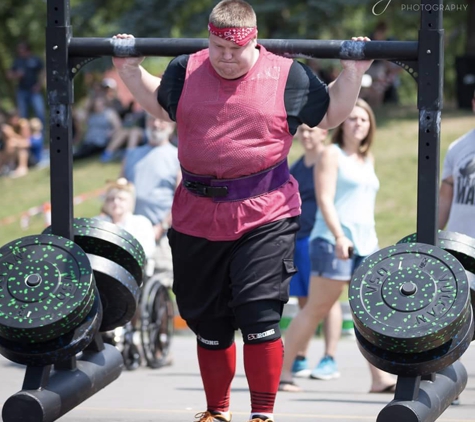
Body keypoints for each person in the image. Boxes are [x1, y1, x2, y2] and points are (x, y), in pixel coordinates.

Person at [112, 0, 373, 420]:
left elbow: (328, 115)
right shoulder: (185, 69)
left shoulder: (287, 74)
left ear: (255, 40)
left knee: (258, 314)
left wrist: (353, 73)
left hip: (264, 213)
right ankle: (217, 411)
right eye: (218, 48)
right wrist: (128, 69)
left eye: (236, 49)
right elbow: (161, 104)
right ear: (209, 39)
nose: (226, 57)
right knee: (207, 322)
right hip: (196, 214)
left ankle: (263, 414)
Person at [279, 99, 396, 394]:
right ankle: (280, 374)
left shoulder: (366, 159)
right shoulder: (331, 154)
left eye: (364, 120)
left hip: (365, 243)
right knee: (316, 308)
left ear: (371, 126)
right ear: (342, 123)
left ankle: (380, 378)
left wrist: (369, 241)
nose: (357, 124)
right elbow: (325, 199)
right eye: (352, 118)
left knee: (368, 313)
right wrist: (339, 236)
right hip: (332, 241)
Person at [287, 124, 343, 381]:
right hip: (298, 240)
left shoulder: (331, 159)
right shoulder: (295, 167)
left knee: (327, 300)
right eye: (303, 131)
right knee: (303, 300)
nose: (306, 135)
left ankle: (329, 357)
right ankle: (300, 356)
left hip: (322, 238)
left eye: (312, 131)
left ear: (324, 133)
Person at [121, 114, 180, 284]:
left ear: (171, 126)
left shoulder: (177, 156)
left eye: (161, 120)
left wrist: (161, 227)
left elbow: (180, 199)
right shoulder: (132, 154)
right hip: (132, 233)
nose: (156, 124)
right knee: (132, 288)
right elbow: (121, 188)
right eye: (151, 119)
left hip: (161, 235)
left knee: (162, 285)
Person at [438, 89, 475, 239]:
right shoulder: (457, 147)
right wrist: (425, 243)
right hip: (460, 248)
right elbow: (445, 199)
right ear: (474, 104)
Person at [95, 178, 157, 261]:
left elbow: (148, 251)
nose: (116, 202)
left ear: (130, 201)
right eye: (111, 199)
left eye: (121, 199)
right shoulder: (98, 223)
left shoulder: (141, 223)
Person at [7, 41, 46, 126]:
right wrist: (16, 74)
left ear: (27, 50)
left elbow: (44, 72)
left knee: (40, 113)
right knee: (23, 115)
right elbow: (9, 75)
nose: (20, 52)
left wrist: (39, 85)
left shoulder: (35, 59)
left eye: (21, 50)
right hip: (22, 91)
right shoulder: (17, 61)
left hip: (34, 91)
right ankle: (25, 136)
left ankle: (41, 136)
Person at [73, 96, 122, 160]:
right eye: (96, 105)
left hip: (100, 142)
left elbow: (118, 127)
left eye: (100, 104)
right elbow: (78, 117)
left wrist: (112, 132)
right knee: (81, 150)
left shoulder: (109, 113)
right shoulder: (91, 114)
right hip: (88, 141)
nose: (98, 106)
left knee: (82, 153)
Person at [0, 110, 31, 178]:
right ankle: (5, 168)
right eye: (11, 119)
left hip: (29, 153)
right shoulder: (8, 126)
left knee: (15, 145)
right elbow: (5, 143)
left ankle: (23, 168)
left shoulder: (23, 124)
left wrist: (12, 134)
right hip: (12, 153)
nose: (13, 120)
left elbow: (28, 143)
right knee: (7, 146)